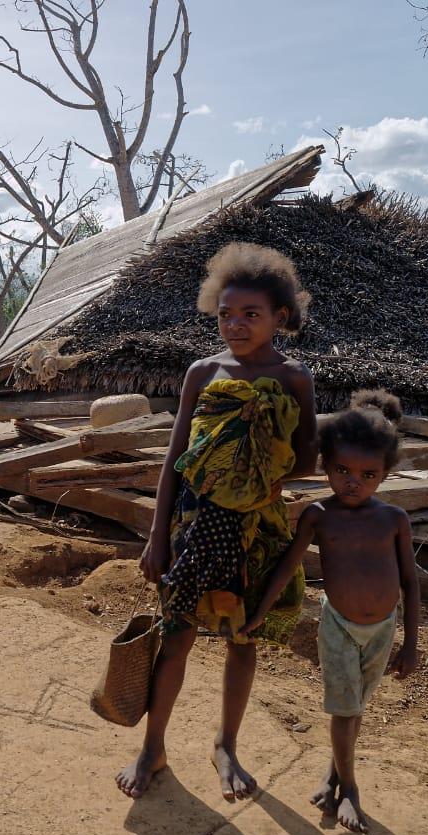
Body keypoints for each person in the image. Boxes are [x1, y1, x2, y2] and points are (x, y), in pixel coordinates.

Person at [117, 242, 318, 800]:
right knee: (175, 638)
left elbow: (306, 460)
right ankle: (152, 748)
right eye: (226, 314)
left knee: (242, 640)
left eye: (250, 314)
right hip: (193, 527)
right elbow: (176, 460)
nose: (235, 325)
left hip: (257, 531)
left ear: (279, 317)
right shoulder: (203, 373)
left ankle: (225, 744)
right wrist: (157, 537)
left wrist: (260, 469)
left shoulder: (294, 379)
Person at [239, 390, 420, 834]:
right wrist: (261, 610)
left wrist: (412, 644)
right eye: (342, 470)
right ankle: (351, 792)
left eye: (367, 474)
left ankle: (333, 774)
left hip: (382, 630)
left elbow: (411, 583)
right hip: (338, 626)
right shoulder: (319, 516)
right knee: (345, 711)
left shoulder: (393, 519)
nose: (353, 482)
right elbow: (288, 566)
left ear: (385, 474)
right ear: (326, 465)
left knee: (354, 708)